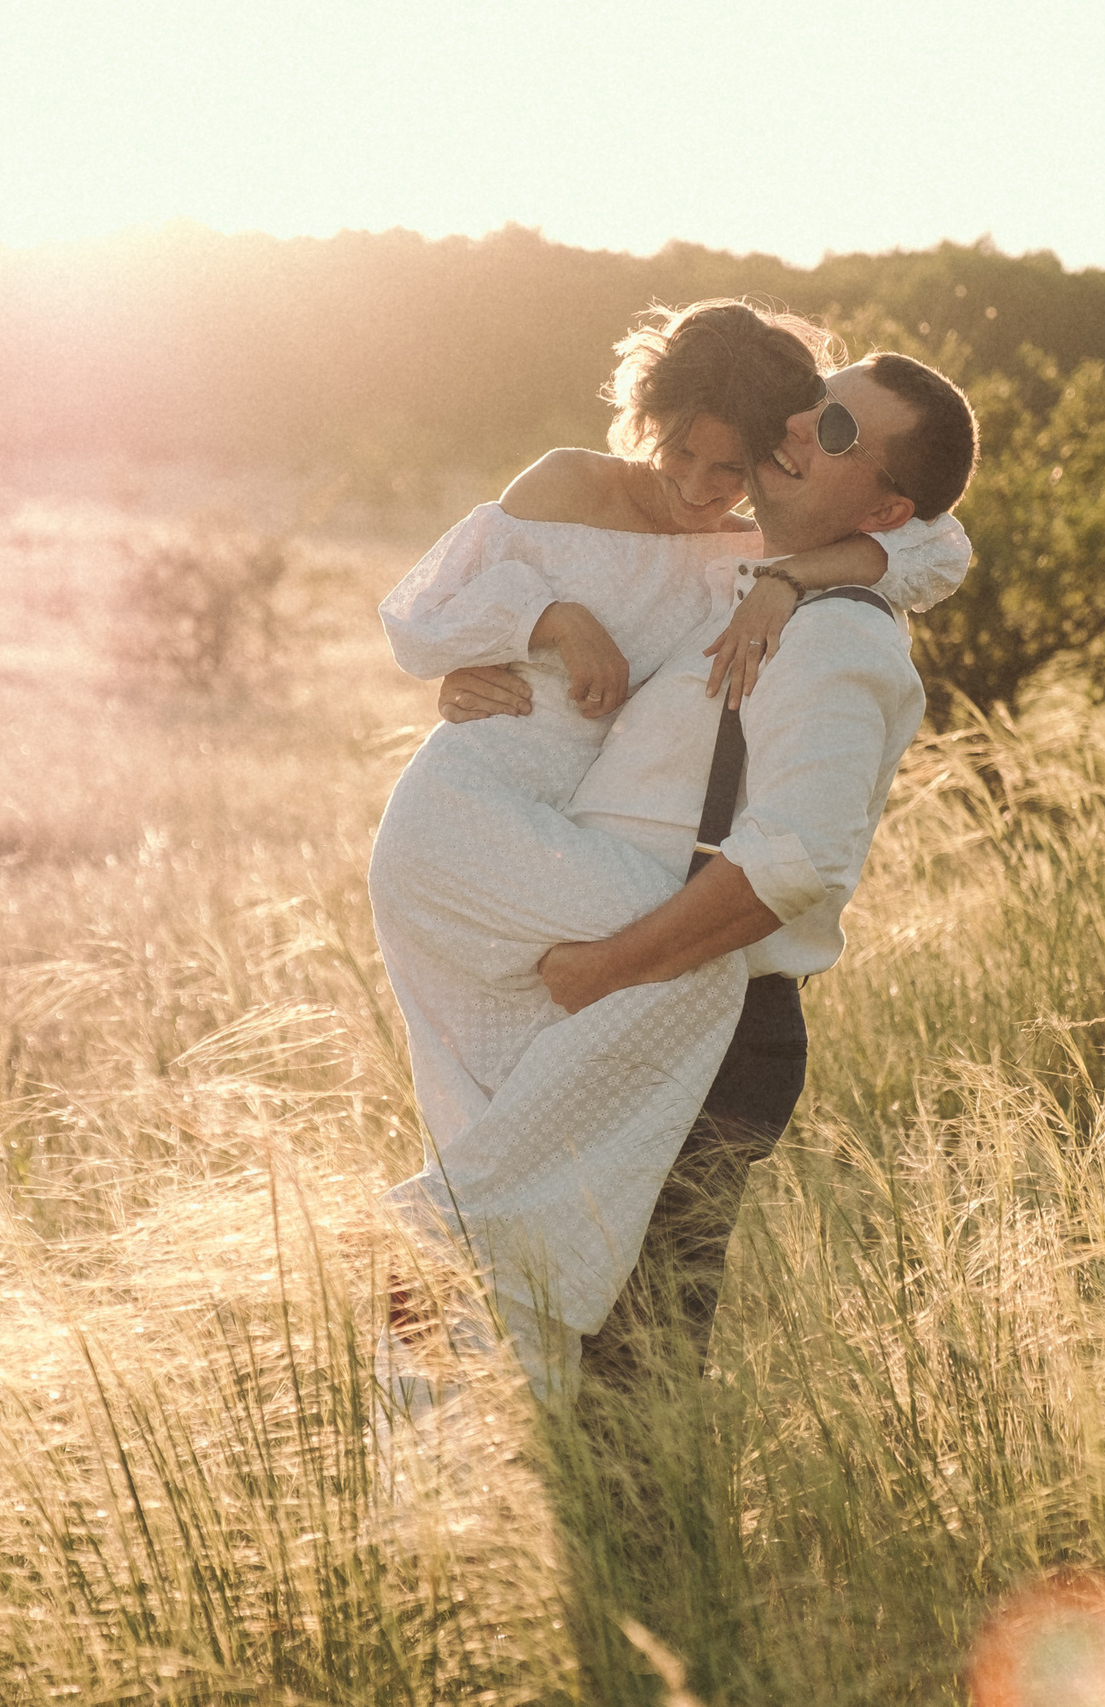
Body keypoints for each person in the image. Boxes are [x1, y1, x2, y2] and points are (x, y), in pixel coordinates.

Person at [368, 306, 971, 1397]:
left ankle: (467, 1441)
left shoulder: (796, 593)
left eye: (824, 429)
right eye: (803, 411)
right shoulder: (682, 535)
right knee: (548, 1255)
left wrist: (793, 578)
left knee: (561, 1269)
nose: (789, 439)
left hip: (609, 928)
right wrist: (528, 633)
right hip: (512, 859)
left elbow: (941, 544)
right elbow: (432, 611)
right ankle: (464, 1438)